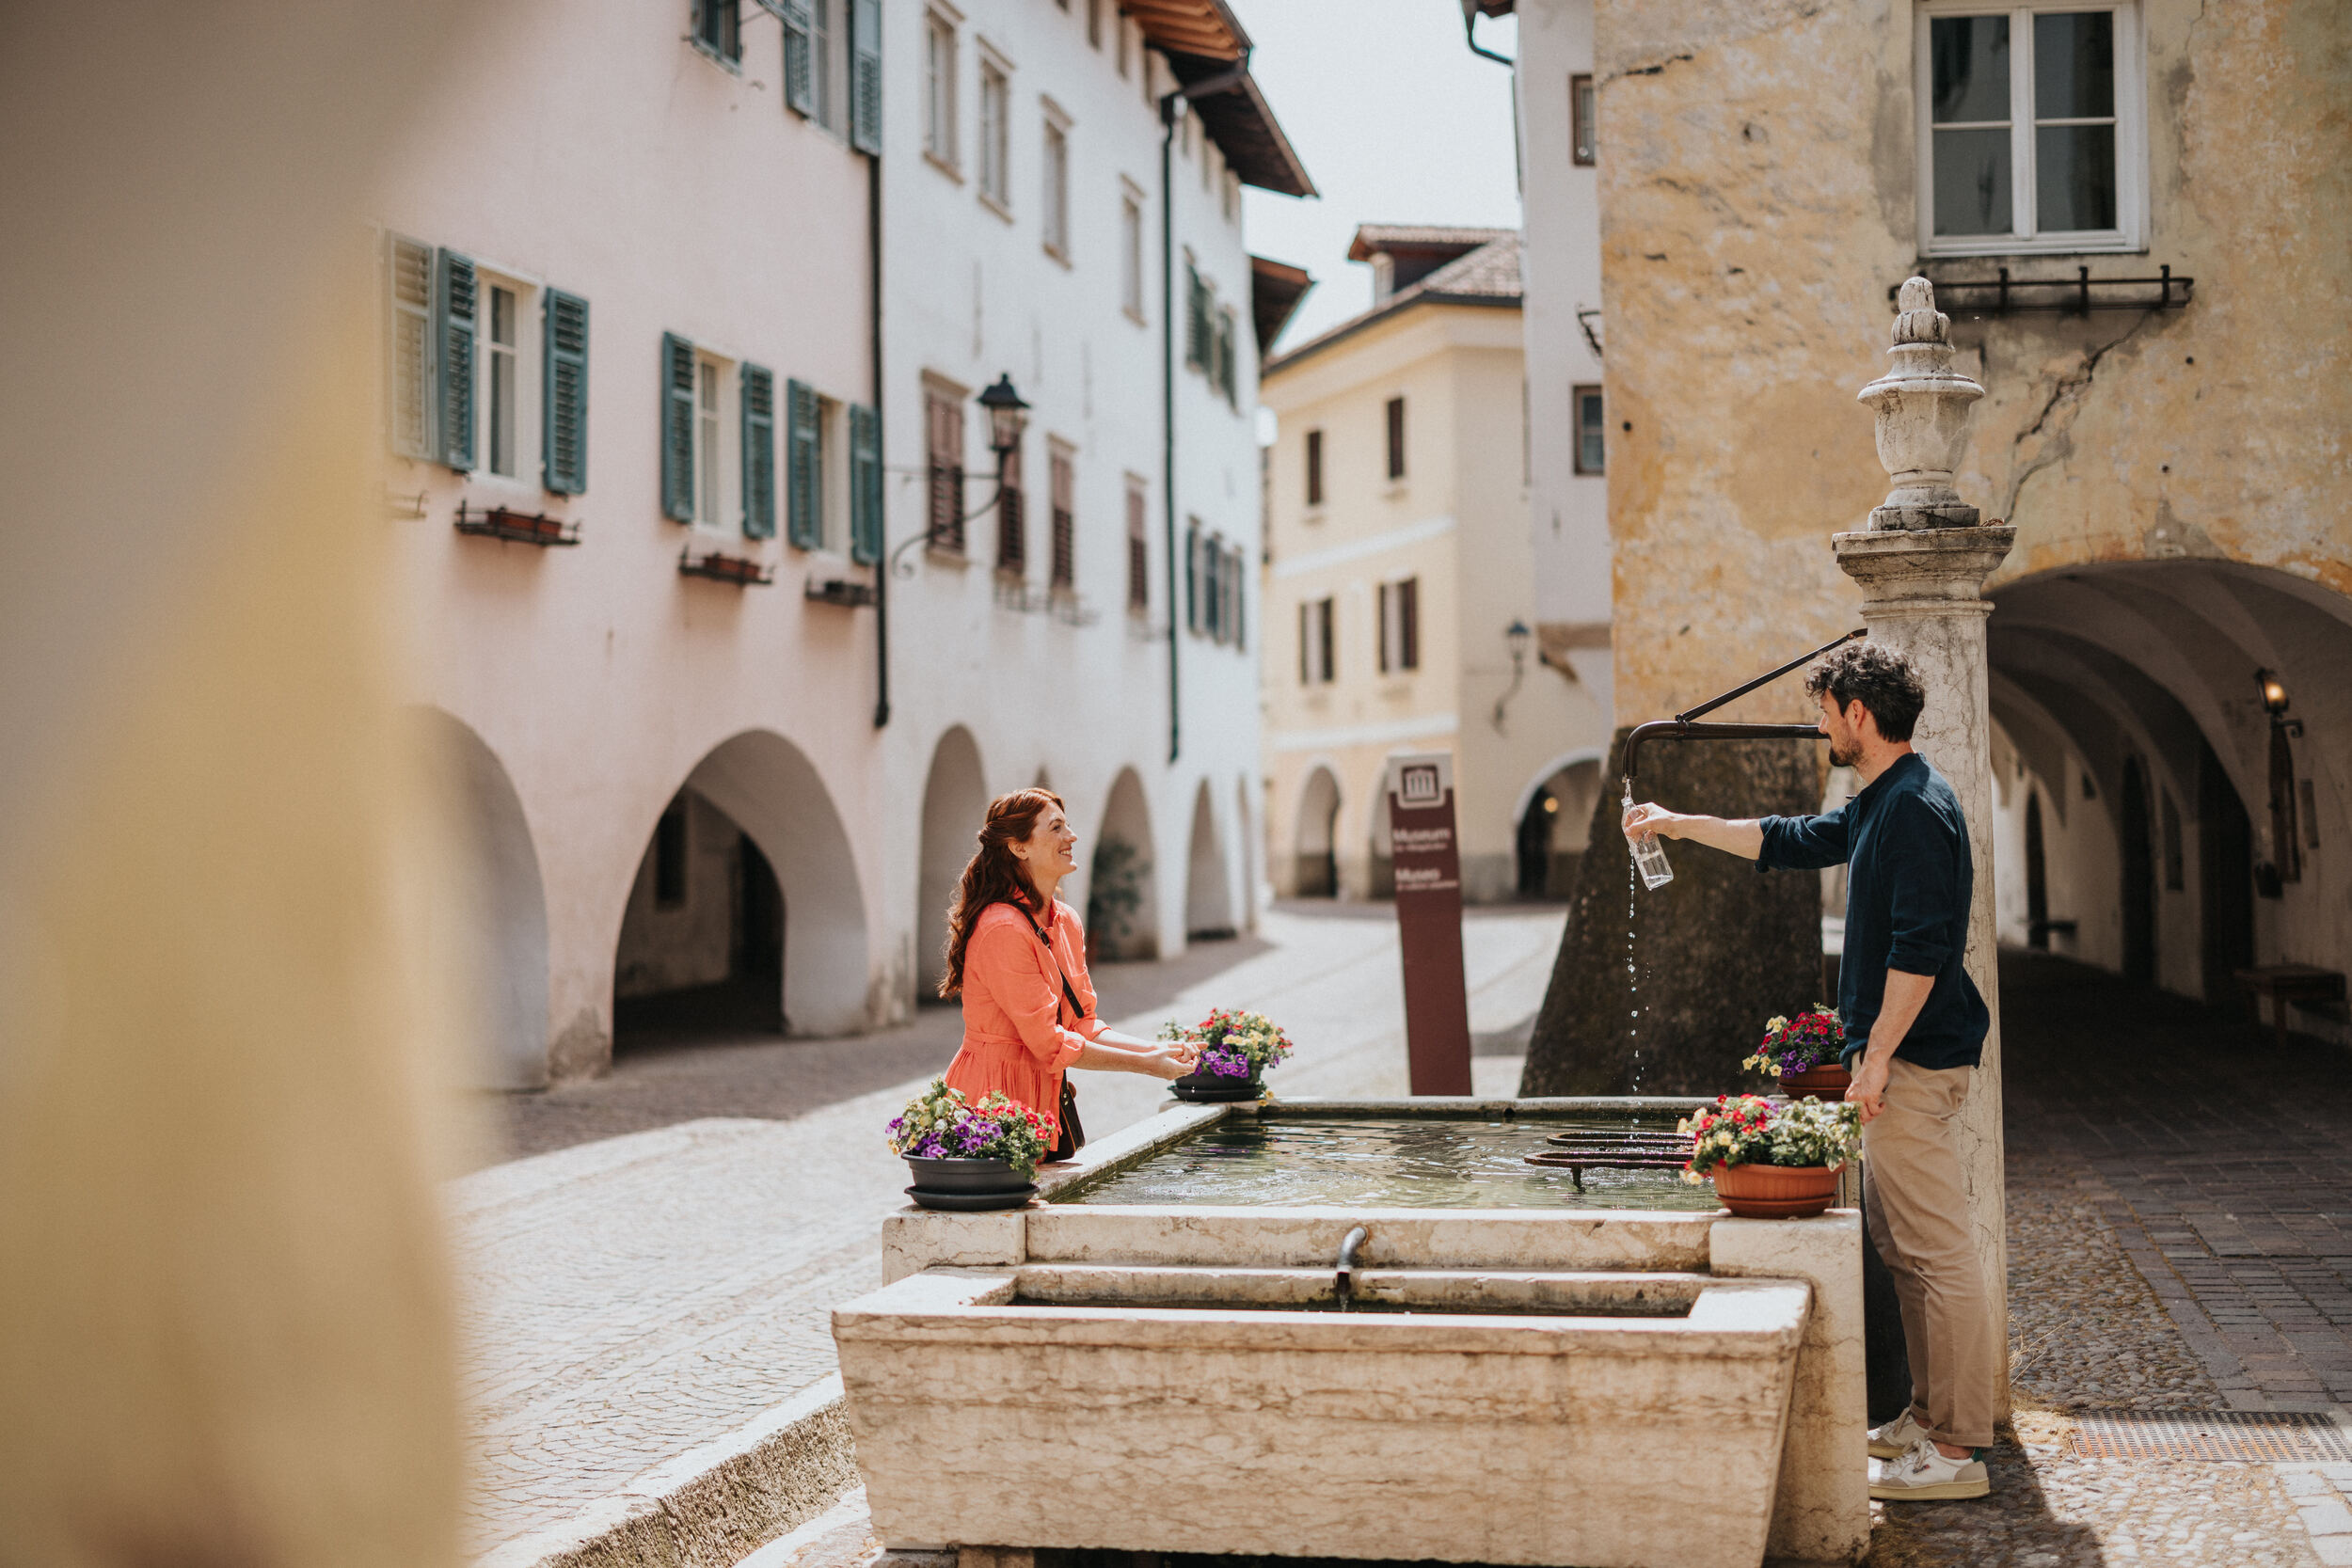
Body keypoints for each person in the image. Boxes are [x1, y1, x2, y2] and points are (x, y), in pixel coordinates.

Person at [1622, 641, 1997, 1503]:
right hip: (1895, 1063)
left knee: (1937, 1252)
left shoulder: (1914, 809)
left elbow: (1921, 952)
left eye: (1826, 710)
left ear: (1858, 714)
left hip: (1911, 1063)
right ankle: (1927, 1415)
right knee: (1907, 1252)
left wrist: (1876, 1062)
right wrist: (1679, 823)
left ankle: (1960, 1446)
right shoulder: (1885, 800)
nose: (1820, 724)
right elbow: (1789, 840)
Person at [939, 788, 1198, 1159]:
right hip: (990, 1096)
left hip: (1041, 1094)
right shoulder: (1002, 928)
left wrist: (1157, 1049)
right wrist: (1146, 1065)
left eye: (1068, 826)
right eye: (1056, 827)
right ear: (1019, 847)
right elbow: (1048, 1041)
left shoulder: (1066, 921)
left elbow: (1081, 1023)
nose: (1071, 836)